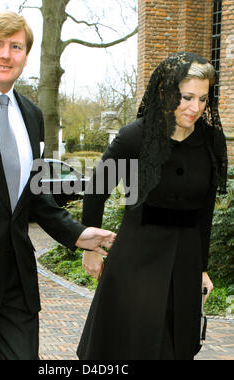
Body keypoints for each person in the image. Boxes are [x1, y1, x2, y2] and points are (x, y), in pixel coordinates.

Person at [0, 11, 116, 360]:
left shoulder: (31, 116)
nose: (6, 54)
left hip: (15, 283)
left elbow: (32, 196)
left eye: (16, 46)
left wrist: (77, 234)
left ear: (25, 55)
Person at [77, 52, 228, 360]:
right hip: (136, 257)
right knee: (133, 346)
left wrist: (201, 268)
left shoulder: (211, 141)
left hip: (184, 260)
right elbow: (96, 191)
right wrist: (90, 248)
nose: (195, 108)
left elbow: (205, 211)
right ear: (168, 91)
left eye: (202, 99)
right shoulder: (135, 137)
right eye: (186, 97)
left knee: (174, 347)